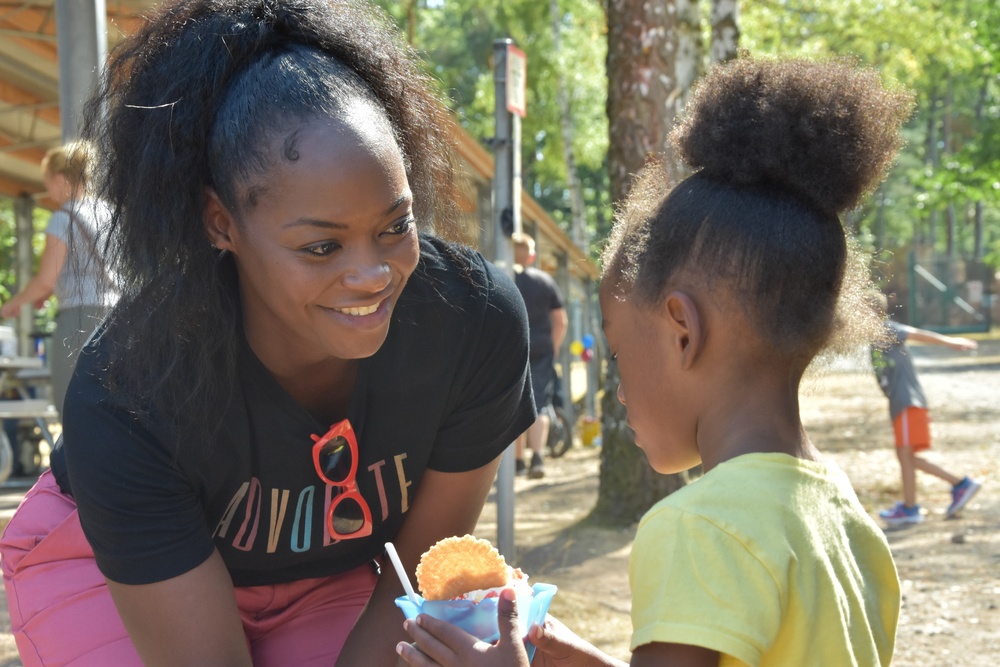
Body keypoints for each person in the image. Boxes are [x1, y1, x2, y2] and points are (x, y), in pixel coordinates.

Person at [0, 1, 535, 666]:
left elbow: (410, 571)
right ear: (220, 223)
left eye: (394, 226)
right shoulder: (129, 391)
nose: (371, 275)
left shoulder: (473, 324)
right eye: (321, 247)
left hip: (320, 575)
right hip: (103, 565)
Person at [396, 54, 911, 667]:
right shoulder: (849, 522)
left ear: (682, 331)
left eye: (618, 356)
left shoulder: (700, 528)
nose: (617, 390)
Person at [0, 140, 117, 416]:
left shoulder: (62, 218)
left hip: (79, 319)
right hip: (117, 315)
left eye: (49, 181)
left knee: (70, 401)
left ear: (62, 179)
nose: (49, 191)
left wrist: (14, 304)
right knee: (108, 404)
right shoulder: (109, 213)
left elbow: (44, 280)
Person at [869, 292, 981, 527]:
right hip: (900, 405)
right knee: (905, 456)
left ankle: (917, 505)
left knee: (905, 455)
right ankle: (954, 487)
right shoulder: (873, 339)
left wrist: (952, 342)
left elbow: (916, 333)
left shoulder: (886, 329)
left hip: (908, 402)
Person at [512, 232, 568, 479]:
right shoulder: (545, 282)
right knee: (540, 405)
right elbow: (561, 321)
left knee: (513, 404)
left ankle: (517, 462)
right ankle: (537, 458)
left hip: (512, 350)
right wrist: (553, 348)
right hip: (542, 350)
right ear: (532, 256)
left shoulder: (504, 279)